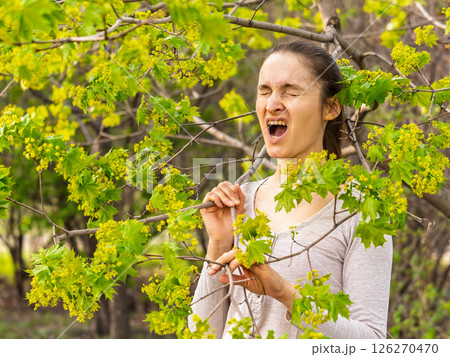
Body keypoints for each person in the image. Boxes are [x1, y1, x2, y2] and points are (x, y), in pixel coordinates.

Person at [189, 41, 393, 339]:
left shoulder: (362, 211)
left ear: (331, 107)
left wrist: (285, 294)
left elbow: (372, 342)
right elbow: (201, 338)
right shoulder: (239, 202)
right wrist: (219, 243)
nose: (273, 103)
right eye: (264, 91)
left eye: (290, 91)